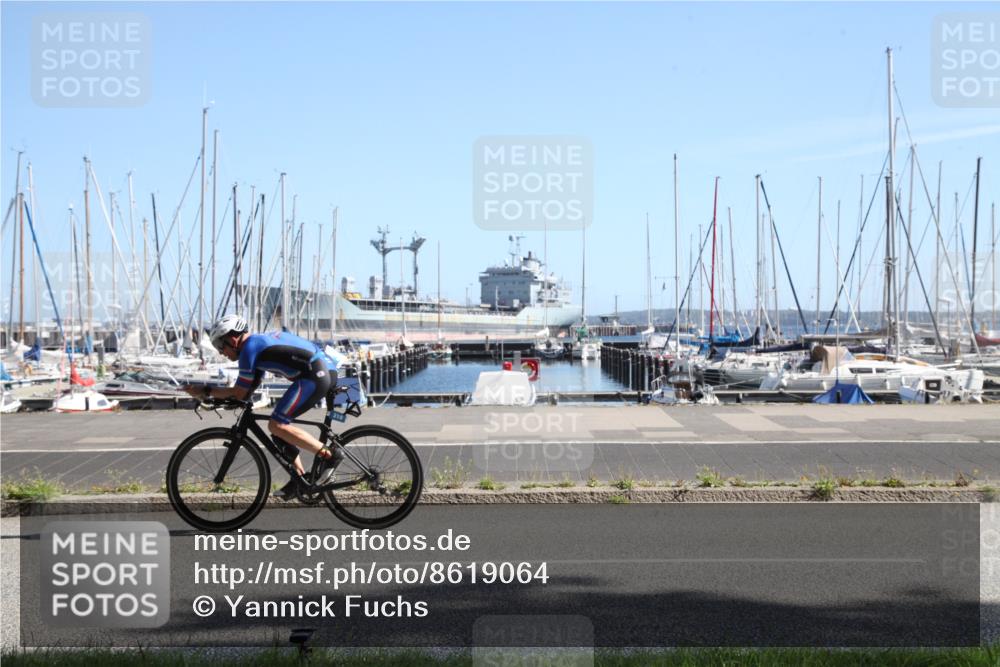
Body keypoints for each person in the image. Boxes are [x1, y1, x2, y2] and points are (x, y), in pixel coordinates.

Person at [184, 314, 339, 500]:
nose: (221, 352)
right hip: (323, 369)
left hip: (316, 374)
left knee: (277, 424)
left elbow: (239, 393)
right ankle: (299, 479)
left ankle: (331, 456)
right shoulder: (255, 346)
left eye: (220, 345)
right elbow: (247, 390)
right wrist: (220, 398)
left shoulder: (249, 348)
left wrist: (206, 390)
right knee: (279, 431)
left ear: (232, 339)